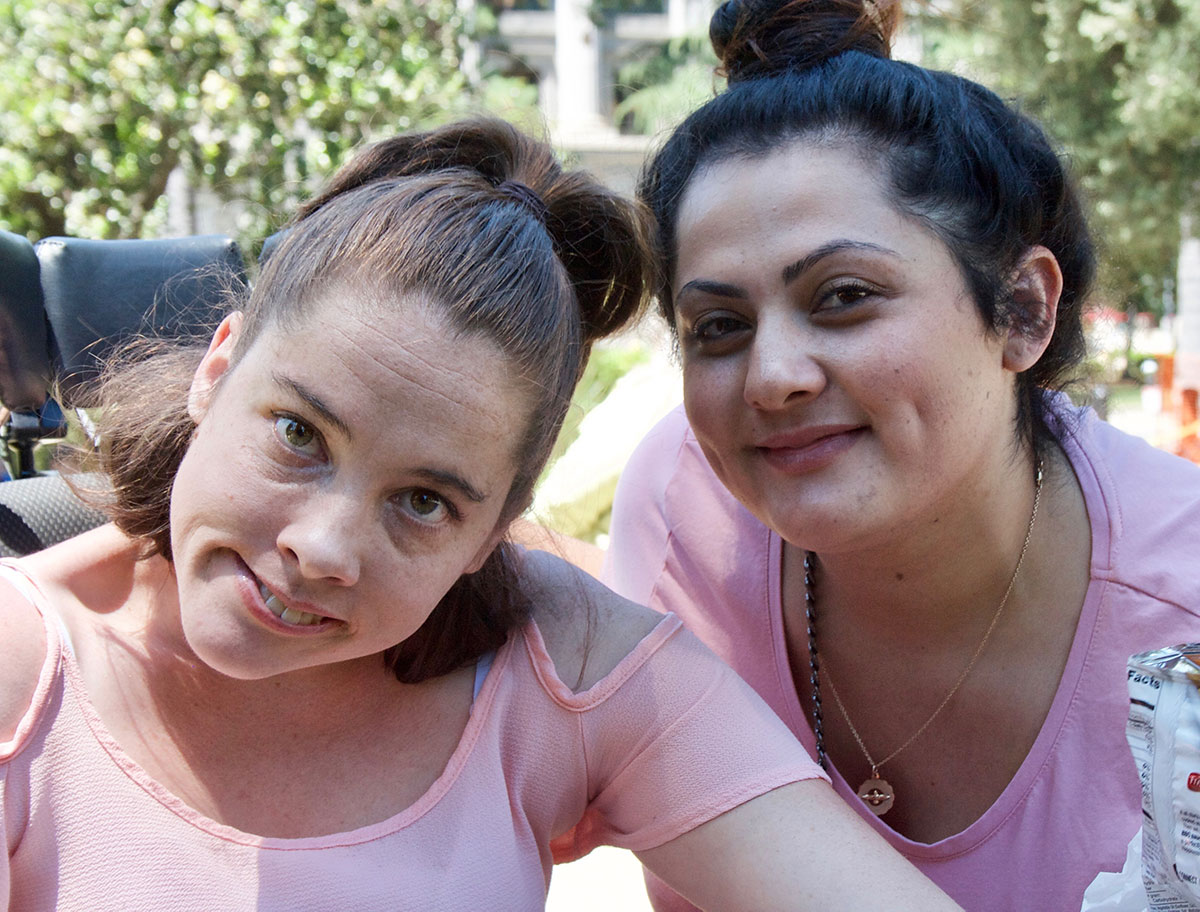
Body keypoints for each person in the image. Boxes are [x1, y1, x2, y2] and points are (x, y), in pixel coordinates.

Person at [0, 118, 960, 911]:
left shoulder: (564, 669)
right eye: (298, 434)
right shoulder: (23, 670)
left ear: (495, 528)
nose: (322, 547)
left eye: (424, 502)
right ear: (219, 367)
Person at [603, 2, 1200, 910]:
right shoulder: (681, 503)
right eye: (718, 326)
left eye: (843, 296)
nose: (772, 377)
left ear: (1024, 312)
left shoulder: (1183, 602)